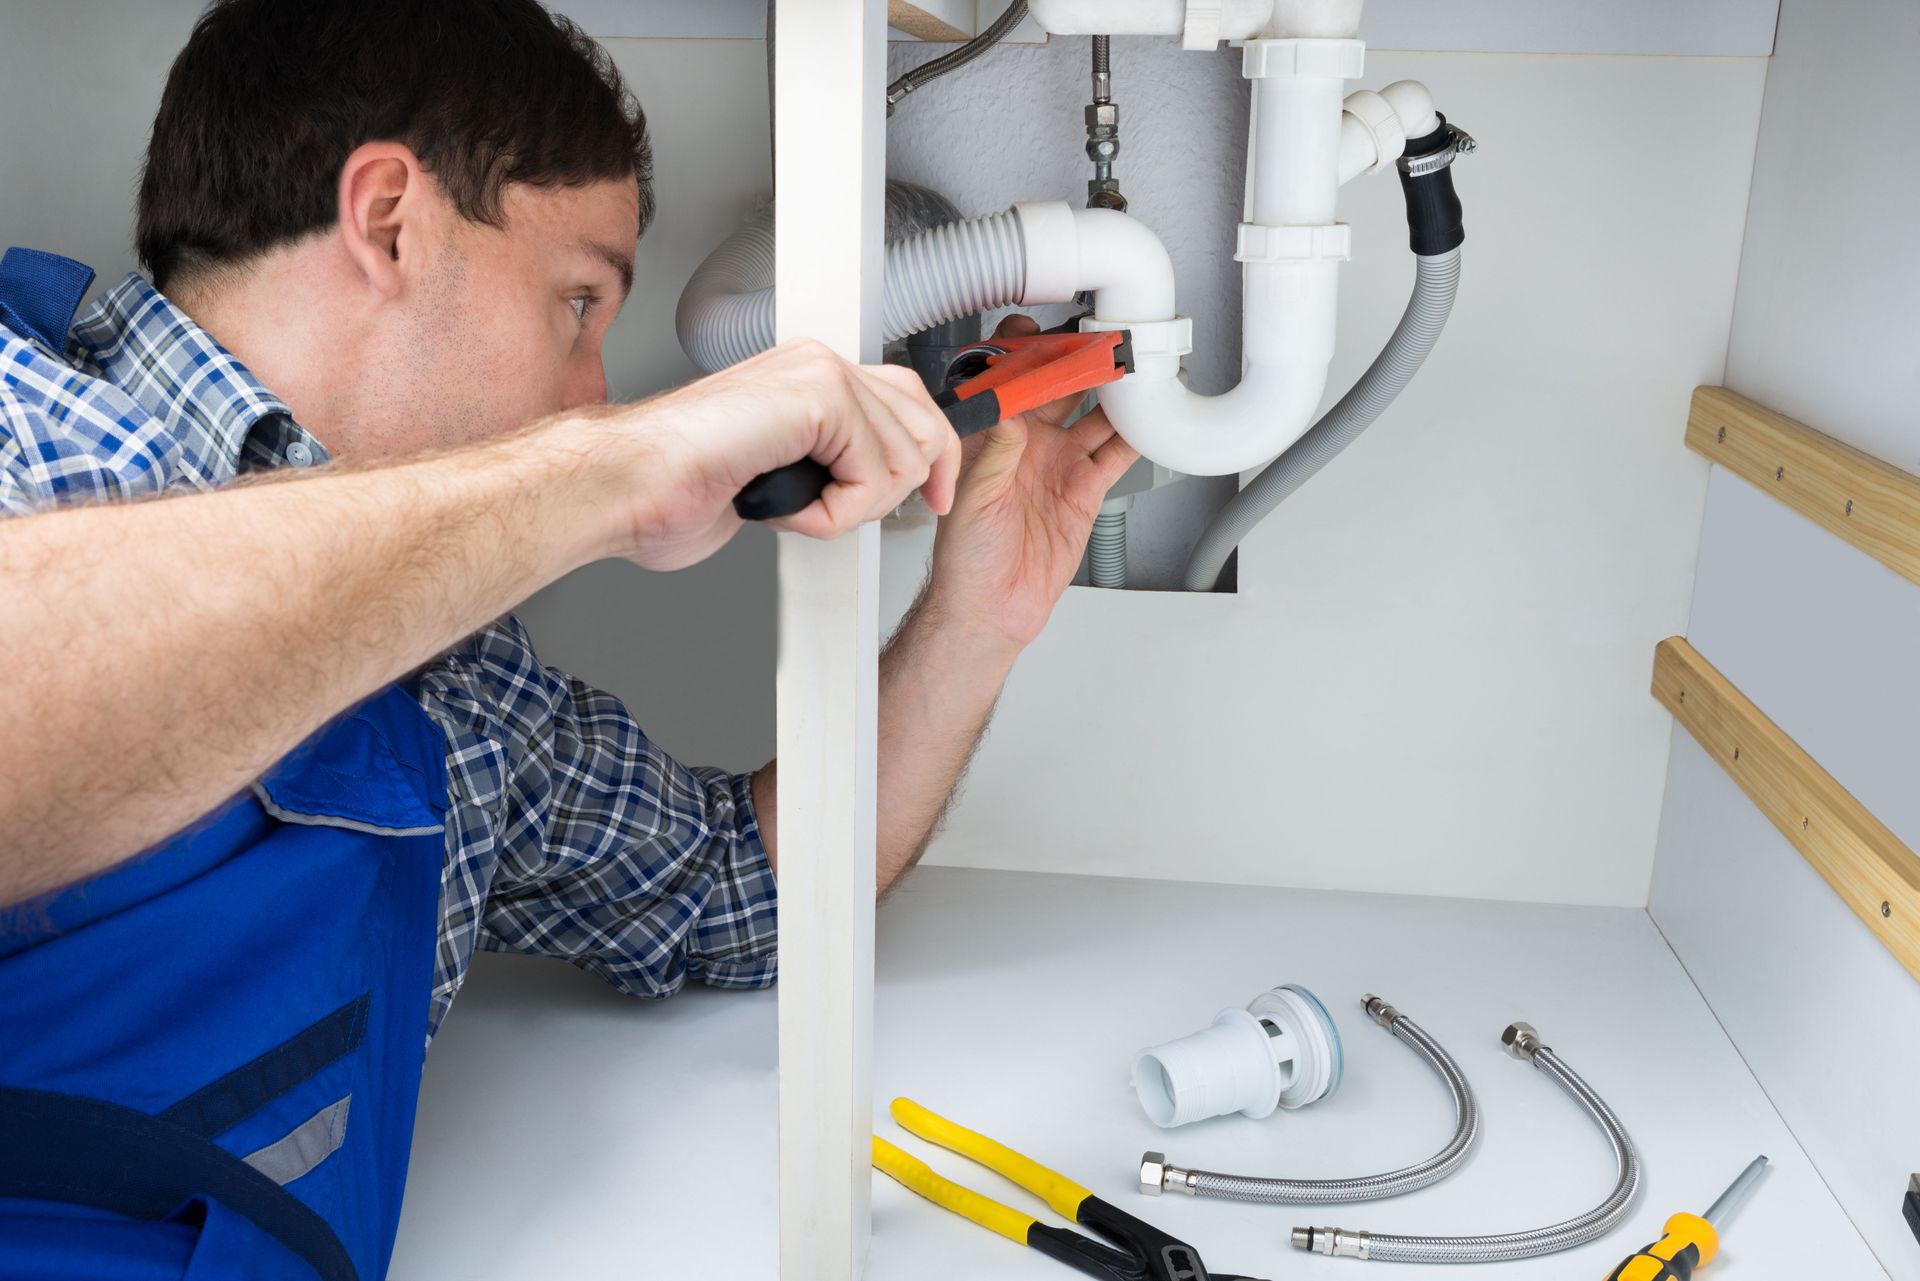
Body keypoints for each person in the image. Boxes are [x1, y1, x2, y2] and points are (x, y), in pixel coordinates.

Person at [0, 2, 1138, 1278]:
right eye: (577, 297)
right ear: (388, 221)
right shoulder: (24, 421)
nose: (597, 390)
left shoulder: (454, 687)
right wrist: (603, 472)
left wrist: (974, 620)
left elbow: (743, 892)